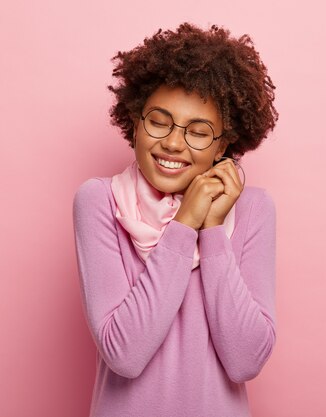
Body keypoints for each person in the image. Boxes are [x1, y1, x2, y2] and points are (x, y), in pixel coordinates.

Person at [72, 22, 278, 417]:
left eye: (198, 132)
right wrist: (184, 226)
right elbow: (125, 353)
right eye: (159, 121)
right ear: (134, 121)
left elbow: (245, 361)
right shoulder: (99, 201)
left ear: (224, 144)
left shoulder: (254, 210)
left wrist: (213, 230)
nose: (172, 143)